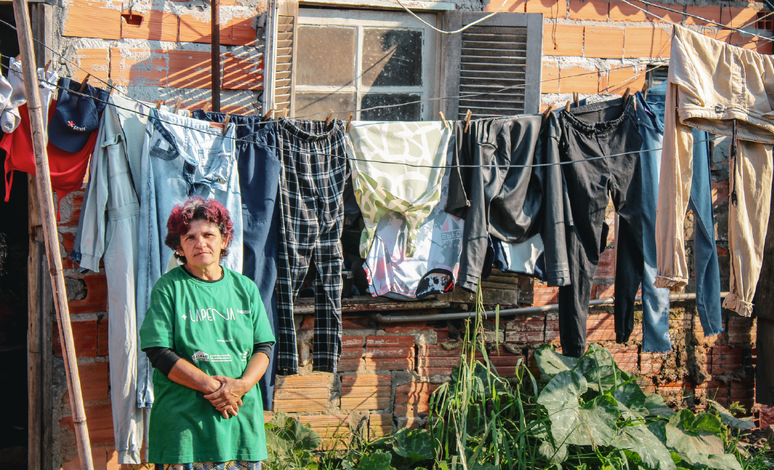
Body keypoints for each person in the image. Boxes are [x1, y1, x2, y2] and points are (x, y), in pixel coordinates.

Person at [139, 197, 275, 469]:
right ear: (179, 248)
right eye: (189, 237)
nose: (200, 243)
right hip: (185, 428)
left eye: (209, 235)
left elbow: (264, 347)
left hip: (238, 422)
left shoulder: (245, 288)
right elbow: (158, 352)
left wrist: (241, 386)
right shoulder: (169, 288)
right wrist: (215, 389)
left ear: (224, 240)